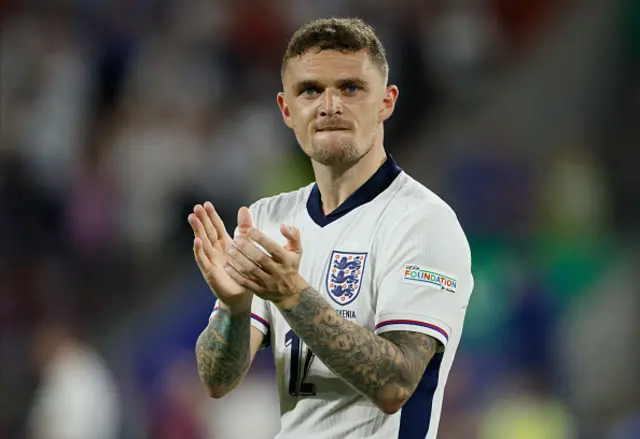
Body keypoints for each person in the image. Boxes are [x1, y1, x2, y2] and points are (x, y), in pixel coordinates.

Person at [188, 17, 474, 439]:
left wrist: (291, 294)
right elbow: (218, 381)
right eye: (310, 90)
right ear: (287, 109)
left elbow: (396, 385)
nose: (330, 106)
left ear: (386, 102)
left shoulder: (423, 223)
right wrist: (234, 308)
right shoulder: (269, 218)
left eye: (351, 88)